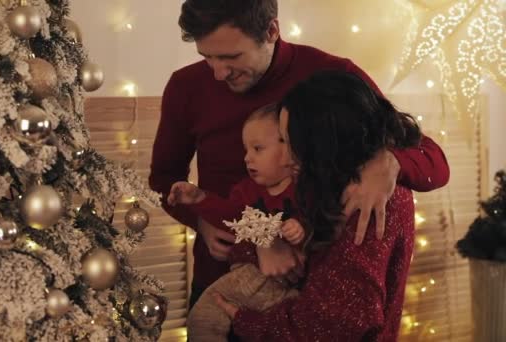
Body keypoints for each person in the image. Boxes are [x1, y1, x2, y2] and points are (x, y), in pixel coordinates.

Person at [149, 0, 450, 309]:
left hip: (310, 292)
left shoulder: (331, 77)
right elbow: (162, 179)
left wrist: (390, 162)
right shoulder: (185, 86)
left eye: (231, 56)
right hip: (220, 285)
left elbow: (432, 159)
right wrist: (202, 221)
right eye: (207, 57)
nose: (217, 73)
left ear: (271, 30)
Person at [214, 70, 427, 341]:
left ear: (324, 142)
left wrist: (245, 321)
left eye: (292, 143)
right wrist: (262, 246)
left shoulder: (368, 200)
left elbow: (338, 322)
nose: (287, 156)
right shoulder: (324, 184)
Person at [167, 106, 307, 342]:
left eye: (258, 149)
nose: (247, 157)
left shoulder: (304, 188)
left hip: (291, 284)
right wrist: (199, 198)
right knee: (203, 317)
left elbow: (322, 221)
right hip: (246, 276)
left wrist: (301, 226)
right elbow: (232, 218)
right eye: (246, 150)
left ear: (290, 149)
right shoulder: (246, 191)